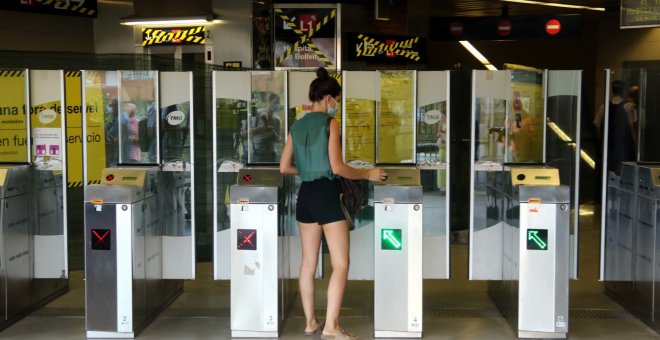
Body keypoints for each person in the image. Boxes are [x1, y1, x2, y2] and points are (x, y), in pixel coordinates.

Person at [280, 67, 387, 339]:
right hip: (328, 194)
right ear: (328, 98)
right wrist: (368, 174)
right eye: (336, 100)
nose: (336, 105)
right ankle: (331, 326)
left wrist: (307, 170)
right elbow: (338, 168)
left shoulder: (297, 125)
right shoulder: (330, 124)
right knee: (340, 264)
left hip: (305, 196)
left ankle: (310, 322)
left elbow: (284, 167)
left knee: (308, 263)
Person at [594, 80, 637, 174]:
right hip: (623, 147)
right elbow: (631, 127)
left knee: (607, 173)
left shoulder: (604, 106)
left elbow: (597, 126)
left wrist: (601, 143)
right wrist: (636, 146)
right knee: (622, 173)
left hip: (608, 147)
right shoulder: (629, 106)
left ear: (612, 91)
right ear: (623, 91)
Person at [251, 93, 282, 162]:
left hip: (272, 154)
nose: (277, 105)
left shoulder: (277, 120)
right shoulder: (257, 114)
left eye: (278, 103)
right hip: (258, 154)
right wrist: (262, 128)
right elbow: (248, 133)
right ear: (269, 101)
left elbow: (277, 140)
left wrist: (272, 131)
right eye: (275, 102)